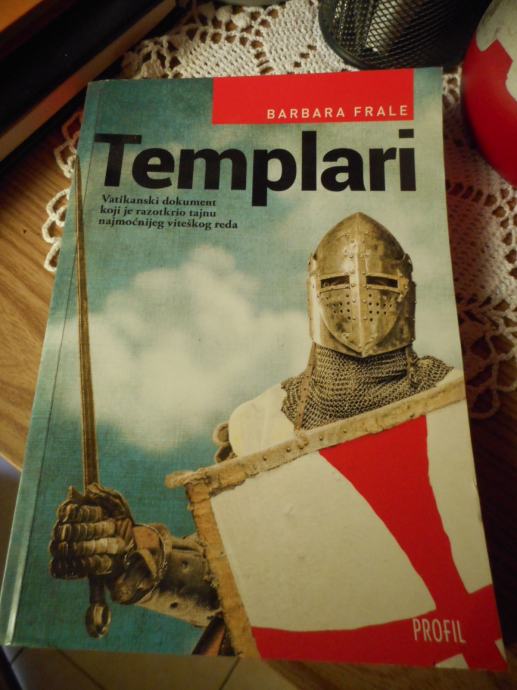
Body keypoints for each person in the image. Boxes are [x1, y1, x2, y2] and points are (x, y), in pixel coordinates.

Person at [49, 212, 452, 634]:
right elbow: (236, 578)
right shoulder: (261, 419)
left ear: (407, 294)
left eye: (382, 283)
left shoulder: (447, 399)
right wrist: (134, 552)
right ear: (314, 293)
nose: (359, 299)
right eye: (336, 283)